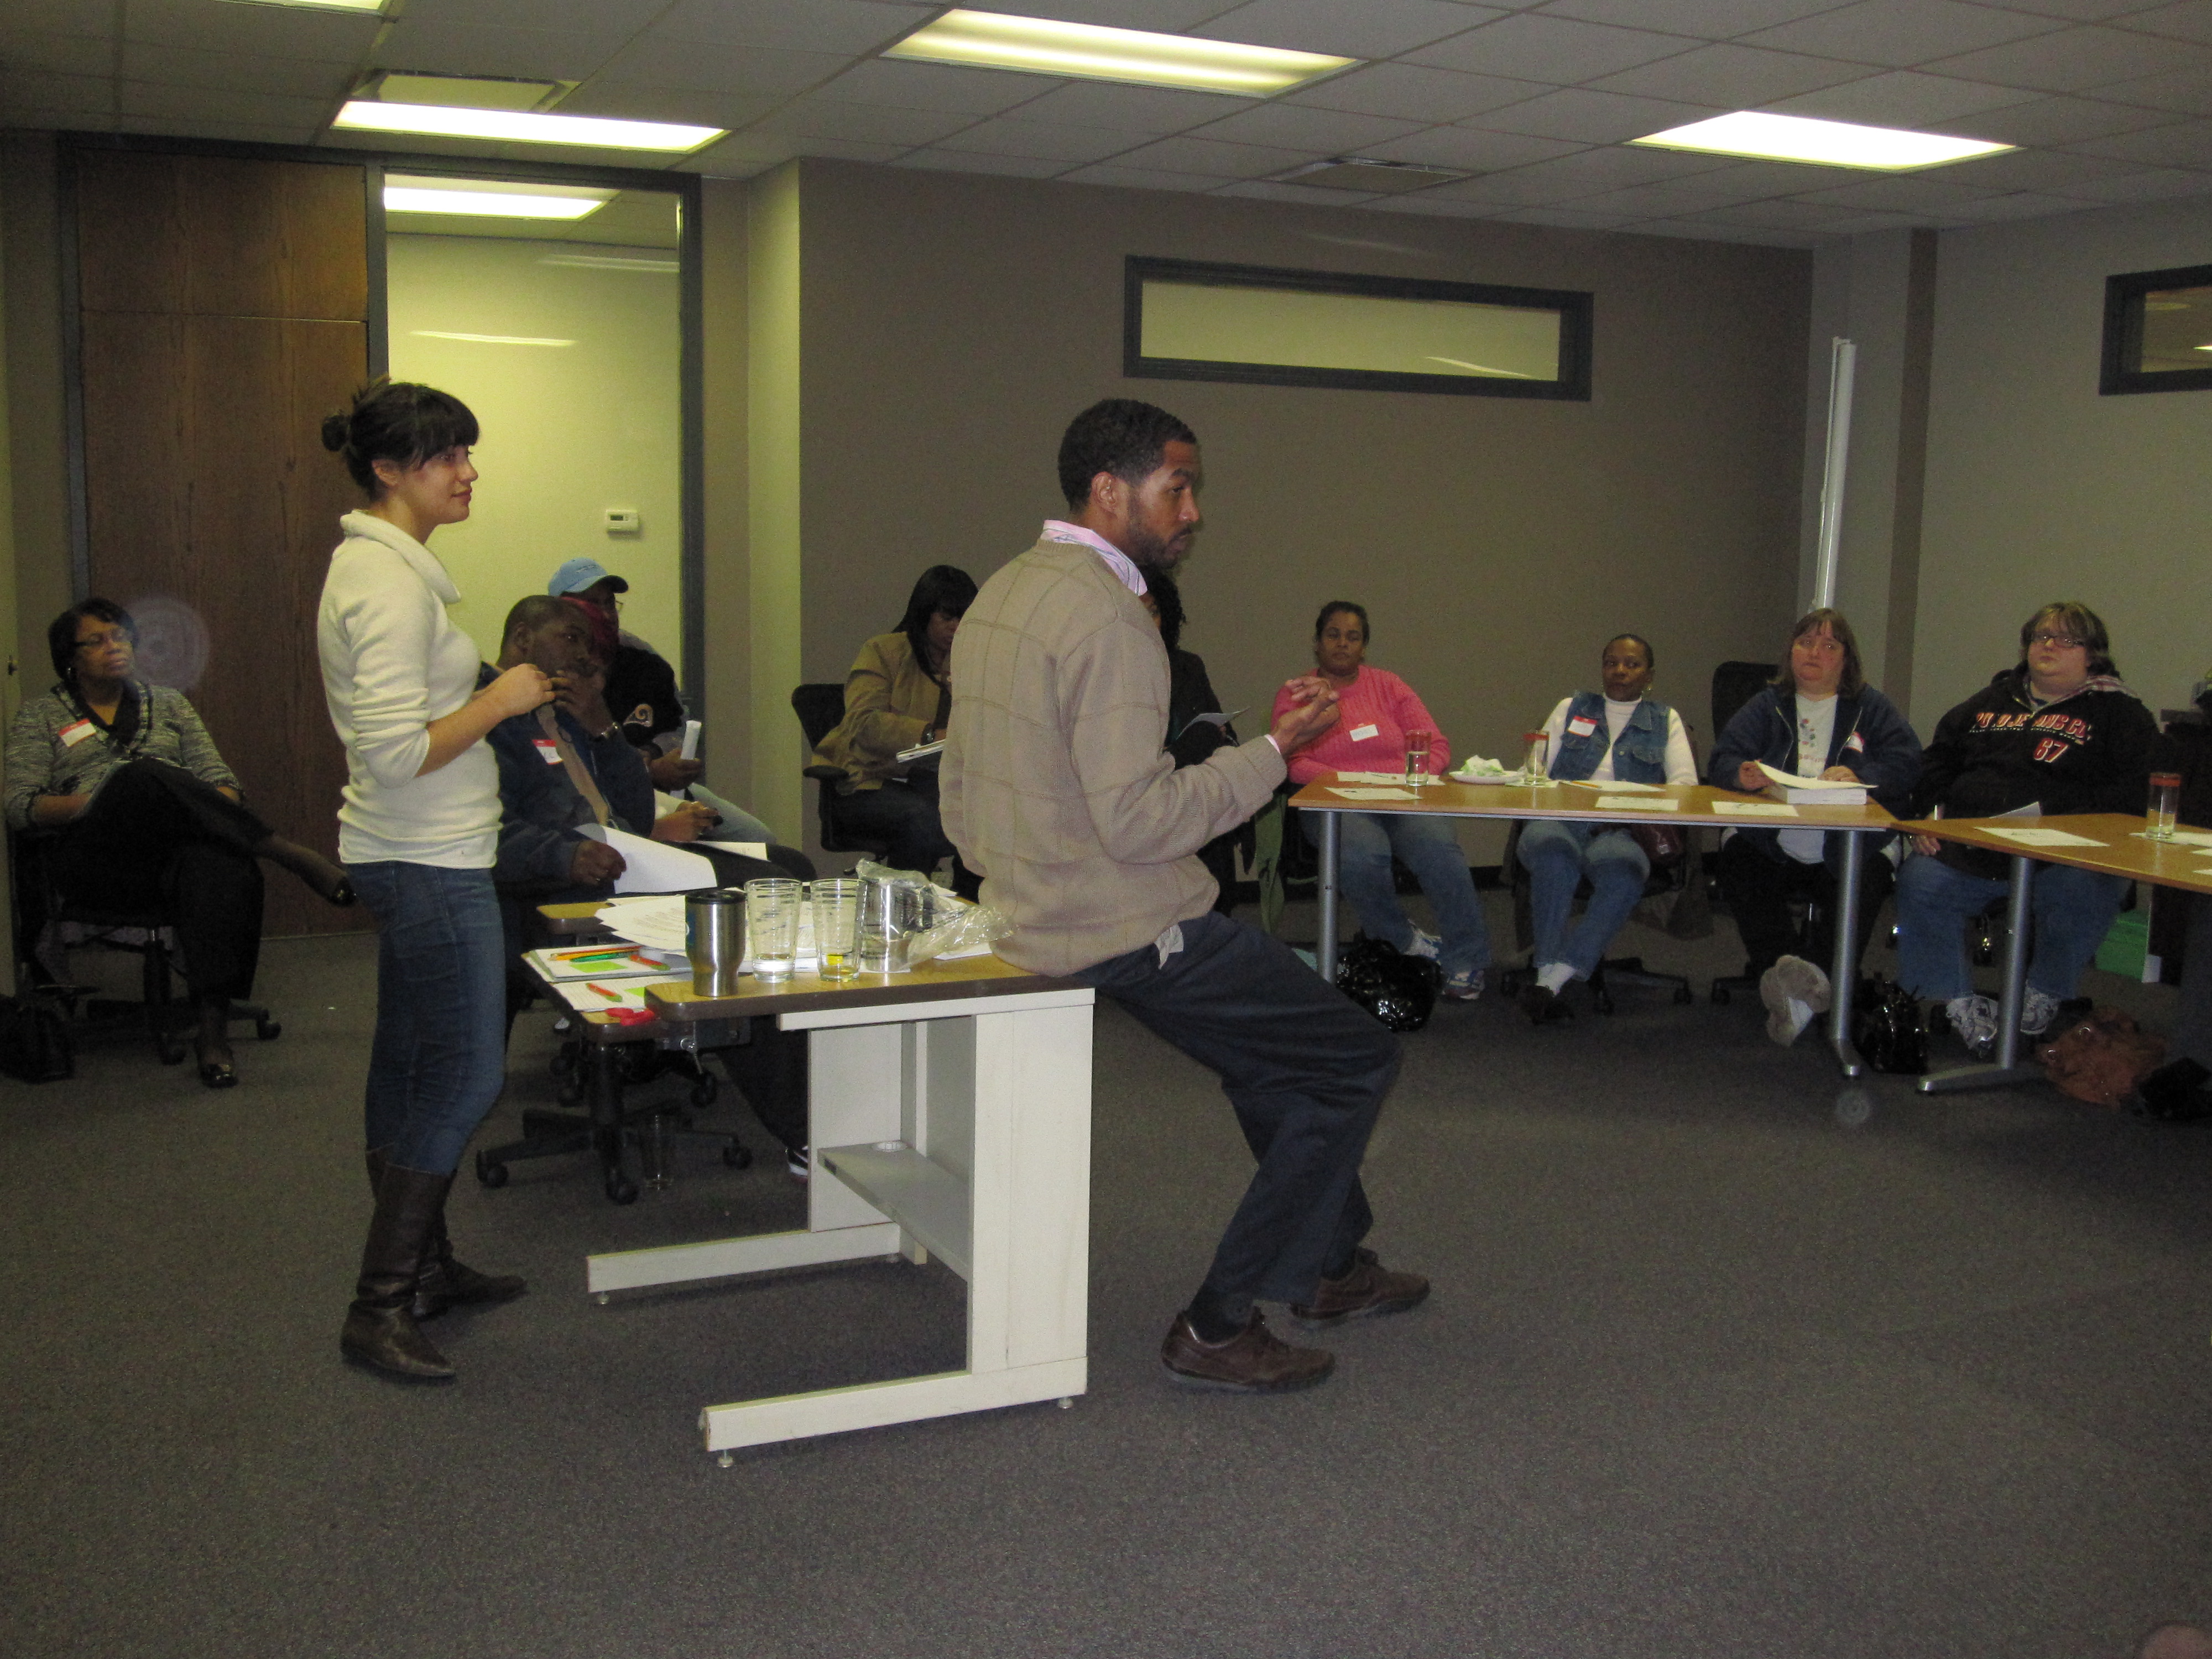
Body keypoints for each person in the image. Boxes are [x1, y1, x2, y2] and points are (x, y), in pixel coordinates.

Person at [942, 397, 1426, 1396]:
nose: (1194, 511)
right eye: (1178, 488)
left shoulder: (1004, 592)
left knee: (1272, 1062)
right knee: (1355, 1059)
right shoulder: (1111, 620)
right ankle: (1218, 1322)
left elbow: (961, 789)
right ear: (1109, 491)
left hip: (1035, 908)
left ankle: (1332, 1264)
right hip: (1128, 922)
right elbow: (1143, 822)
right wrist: (1276, 751)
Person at [319, 380, 554, 1382]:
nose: (468, 473)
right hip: (427, 859)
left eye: (466, 452)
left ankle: (423, 1271)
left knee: (409, 1065)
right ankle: (378, 1305)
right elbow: (393, 752)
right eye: (447, 456)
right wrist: (500, 700)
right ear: (388, 470)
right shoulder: (384, 581)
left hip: (411, 850)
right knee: (465, 1076)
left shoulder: (389, 569)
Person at [485, 593, 812, 1171]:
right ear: (522, 641)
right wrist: (564, 855)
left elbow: (634, 815)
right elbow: (483, 834)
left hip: (626, 860)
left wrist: (602, 728)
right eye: (570, 638)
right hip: (555, 890)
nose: (586, 656)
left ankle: (809, 1080)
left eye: (589, 644)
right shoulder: (489, 720)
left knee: (792, 871)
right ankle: (801, 1127)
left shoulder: (567, 712)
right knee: (751, 906)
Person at [4, 598, 354, 1086]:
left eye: (121, 636)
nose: (115, 647)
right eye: (97, 641)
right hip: (100, 860)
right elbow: (20, 805)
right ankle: (283, 850)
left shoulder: (167, 703)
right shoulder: (41, 716)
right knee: (140, 774)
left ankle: (212, 1031)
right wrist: (98, 800)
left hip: (176, 856)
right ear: (70, 658)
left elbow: (222, 782)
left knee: (219, 866)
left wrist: (202, 812)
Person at [1895, 601, 2156, 1055]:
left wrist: (2069, 823)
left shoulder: (2120, 714)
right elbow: (1936, 762)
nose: (2049, 646)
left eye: (2066, 639)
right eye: (2041, 637)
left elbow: (2135, 790)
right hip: (1975, 849)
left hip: (2063, 857)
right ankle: (1956, 1002)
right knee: (1921, 879)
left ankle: (2043, 993)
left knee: (2091, 885)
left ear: (2092, 654)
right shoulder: (1991, 702)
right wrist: (1929, 816)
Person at [1708, 607, 1922, 1047]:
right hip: (1774, 840)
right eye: (1805, 643)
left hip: (1847, 842)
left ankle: (1799, 997)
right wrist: (1740, 774)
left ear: (1846, 659)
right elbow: (1723, 759)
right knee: (1738, 858)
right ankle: (1796, 976)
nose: (1814, 653)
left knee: (1867, 876)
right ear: (1791, 653)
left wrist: (1861, 774)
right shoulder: (1767, 704)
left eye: (1828, 646)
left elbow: (1907, 763)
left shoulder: (1871, 707)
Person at [1275, 601, 1491, 1001]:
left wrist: (1410, 777)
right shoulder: (1298, 693)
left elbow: (1436, 746)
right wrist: (1352, 782)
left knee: (1439, 850)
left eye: (1353, 637)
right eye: (1333, 635)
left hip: (1401, 796)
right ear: (1317, 643)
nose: (1342, 643)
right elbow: (1292, 760)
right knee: (1362, 856)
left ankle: (1467, 958)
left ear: (1364, 647)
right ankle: (1404, 941)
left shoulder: (1389, 685)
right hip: (1336, 802)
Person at [1514, 633, 1698, 1025]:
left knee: (1624, 875)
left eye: (1632, 664)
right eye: (1611, 663)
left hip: (1620, 829)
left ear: (1649, 675)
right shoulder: (1571, 708)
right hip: (1559, 819)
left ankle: (1553, 980)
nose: (1620, 671)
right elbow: (1535, 770)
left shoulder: (1665, 720)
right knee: (1554, 858)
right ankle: (1546, 971)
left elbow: (1685, 787)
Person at [549, 556, 778, 845]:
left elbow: (677, 723)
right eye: (592, 605)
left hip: (663, 790)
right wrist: (648, 769)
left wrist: (661, 754)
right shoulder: (552, 668)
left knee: (759, 839)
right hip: (596, 800)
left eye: (610, 603)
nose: (605, 615)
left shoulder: (642, 658)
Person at [813, 565, 981, 897]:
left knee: (985, 817)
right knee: (926, 819)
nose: (957, 627)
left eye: (965, 617)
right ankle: (902, 908)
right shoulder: (884, 651)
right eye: (947, 617)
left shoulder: (971, 660)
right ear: (924, 614)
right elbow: (864, 723)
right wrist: (930, 735)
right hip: (871, 781)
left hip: (935, 782)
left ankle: (970, 906)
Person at [1140, 570, 1248, 915]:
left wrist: (1224, 746)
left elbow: (1222, 731)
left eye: (1154, 611)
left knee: (1215, 817)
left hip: (1194, 795)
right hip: (1146, 808)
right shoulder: (1109, 675)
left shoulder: (1187, 666)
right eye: (1137, 611)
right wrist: (1193, 746)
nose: (1147, 621)